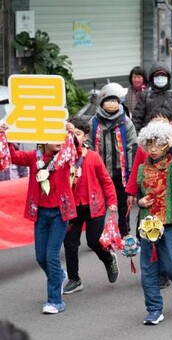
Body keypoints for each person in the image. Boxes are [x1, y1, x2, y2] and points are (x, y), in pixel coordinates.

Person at [0, 122, 77, 314]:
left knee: (51, 256)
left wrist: (70, 132)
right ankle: (59, 276)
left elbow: (73, 149)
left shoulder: (65, 156)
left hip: (60, 213)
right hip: (41, 213)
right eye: (53, 137)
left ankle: (55, 301)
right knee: (40, 257)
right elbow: (13, 157)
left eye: (60, 137)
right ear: (43, 140)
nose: (58, 141)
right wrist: (4, 136)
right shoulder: (34, 157)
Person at [135, 121, 172, 325]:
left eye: (158, 144)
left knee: (171, 265)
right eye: (149, 144)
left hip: (169, 222)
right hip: (148, 225)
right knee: (148, 269)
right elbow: (138, 194)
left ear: (166, 145)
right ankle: (154, 309)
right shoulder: (142, 168)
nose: (153, 149)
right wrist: (139, 201)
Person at [63, 117, 119, 295]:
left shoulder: (93, 157)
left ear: (85, 135)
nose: (73, 137)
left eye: (77, 134)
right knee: (70, 244)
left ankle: (109, 259)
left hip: (94, 206)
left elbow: (106, 181)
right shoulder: (63, 157)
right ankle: (74, 278)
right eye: (69, 133)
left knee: (94, 241)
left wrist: (112, 202)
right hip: (72, 207)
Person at [88, 83, 137, 238]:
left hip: (121, 172)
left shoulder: (126, 122)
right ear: (102, 102)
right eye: (109, 100)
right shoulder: (94, 122)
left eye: (115, 100)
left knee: (123, 204)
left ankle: (124, 233)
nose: (112, 103)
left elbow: (132, 146)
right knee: (98, 205)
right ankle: (97, 236)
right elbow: (88, 145)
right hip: (100, 173)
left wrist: (130, 172)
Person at [132, 61, 172, 133]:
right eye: (157, 76)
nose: (160, 78)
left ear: (168, 77)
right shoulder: (145, 95)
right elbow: (137, 119)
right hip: (151, 136)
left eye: (163, 76)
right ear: (152, 78)